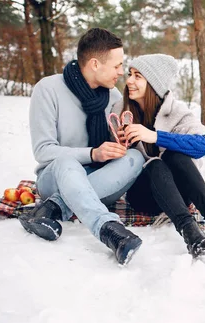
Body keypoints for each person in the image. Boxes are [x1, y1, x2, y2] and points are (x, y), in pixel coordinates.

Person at [19, 28, 145, 266]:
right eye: (117, 65)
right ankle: (108, 229)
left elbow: (121, 139)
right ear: (95, 64)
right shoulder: (48, 90)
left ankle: (53, 208)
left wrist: (120, 140)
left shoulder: (113, 96)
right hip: (55, 177)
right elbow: (43, 150)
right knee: (68, 162)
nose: (121, 73)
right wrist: (92, 154)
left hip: (100, 178)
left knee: (135, 158)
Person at [110, 54, 205, 258]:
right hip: (143, 195)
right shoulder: (120, 112)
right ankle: (191, 233)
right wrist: (119, 145)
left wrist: (155, 136)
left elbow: (201, 146)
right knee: (154, 165)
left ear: (154, 84)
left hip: (180, 194)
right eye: (130, 74)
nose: (129, 81)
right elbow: (112, 159)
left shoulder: (177, 112)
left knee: (176, 156)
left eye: (138, 76)